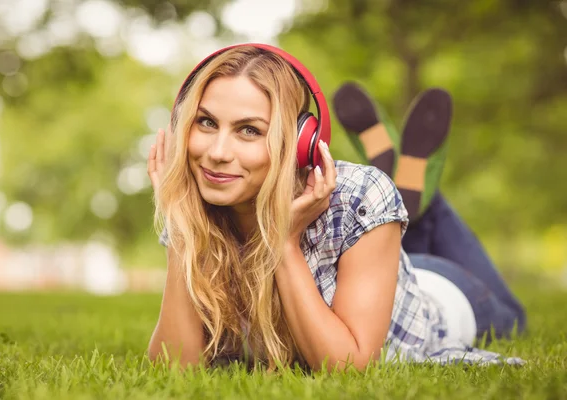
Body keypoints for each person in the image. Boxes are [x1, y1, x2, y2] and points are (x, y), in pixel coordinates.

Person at [146, 44, 526, 371]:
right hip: (372, 263)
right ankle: (406, 178)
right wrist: (181, 226)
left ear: (300, 143)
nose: (217, 153)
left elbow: (347, 366)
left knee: (515, 319)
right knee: (394, 210)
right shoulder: (195, 200)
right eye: (207, 122)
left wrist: (283, 242)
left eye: (249, 130)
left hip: (445, 294)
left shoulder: (360, 193)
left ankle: (413, 184)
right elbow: (174, 366)